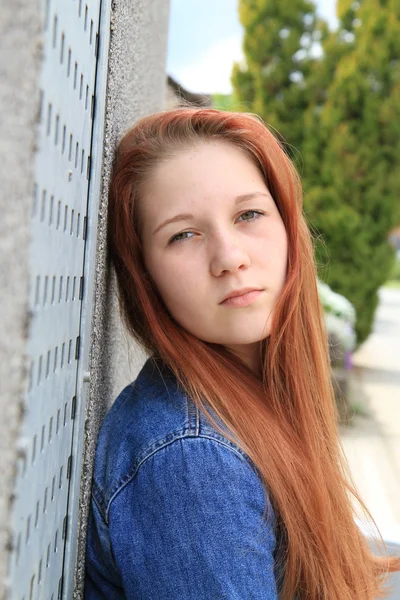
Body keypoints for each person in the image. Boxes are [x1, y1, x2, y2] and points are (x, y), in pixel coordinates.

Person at [84, 107, 400, 599]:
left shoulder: (255, 397)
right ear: (144, 275)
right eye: (182, 234)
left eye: (248, 214)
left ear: (288, 225)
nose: (230, 257)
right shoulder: (191, 460)